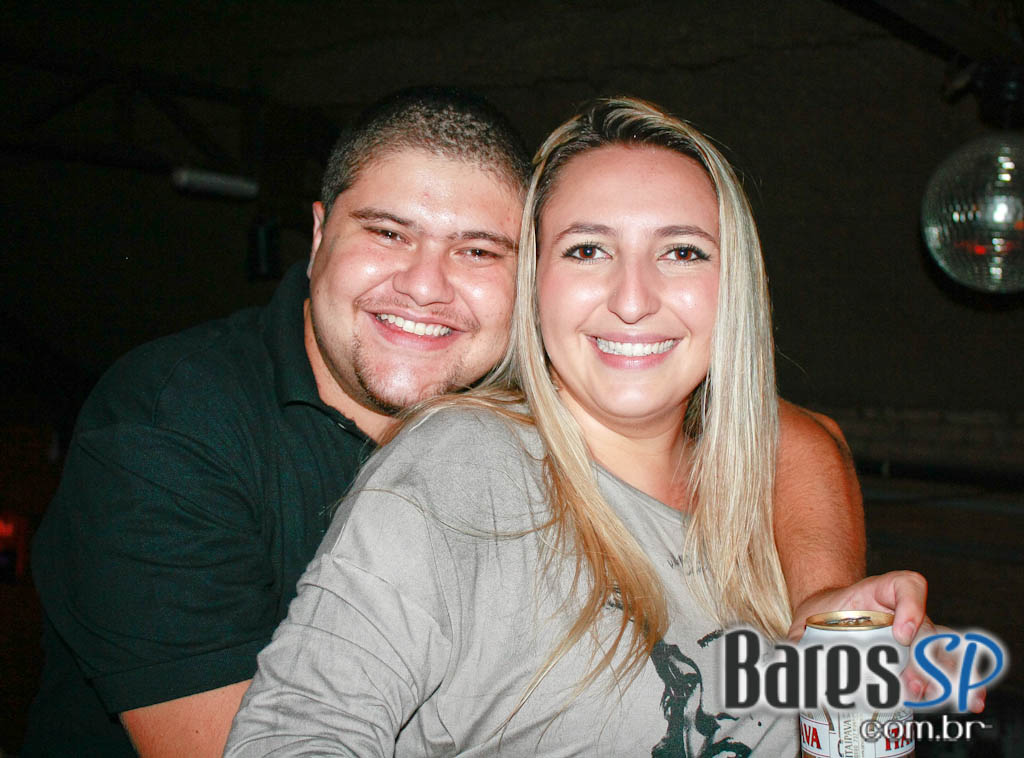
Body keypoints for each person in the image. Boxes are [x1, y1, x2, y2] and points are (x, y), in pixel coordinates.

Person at [26, 88, 875, 758]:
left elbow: (790, 432)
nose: (426, 286)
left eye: (477, 250)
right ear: (317, 236)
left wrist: (830, 615)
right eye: (389, 233)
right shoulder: (170, 425)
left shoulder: (543, 384)